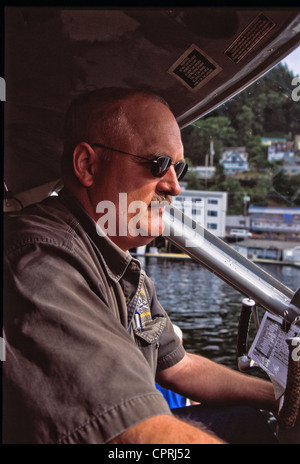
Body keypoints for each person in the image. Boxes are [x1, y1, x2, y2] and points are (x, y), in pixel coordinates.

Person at [3, 87, 278, 444]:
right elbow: (132, 434)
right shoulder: (40, 257)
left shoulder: (120, 263)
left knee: (244, 419)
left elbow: (178, 366)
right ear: (88, 165)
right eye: (158, 163)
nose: (175, 186)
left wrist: (277, 397)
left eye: (179, 168)